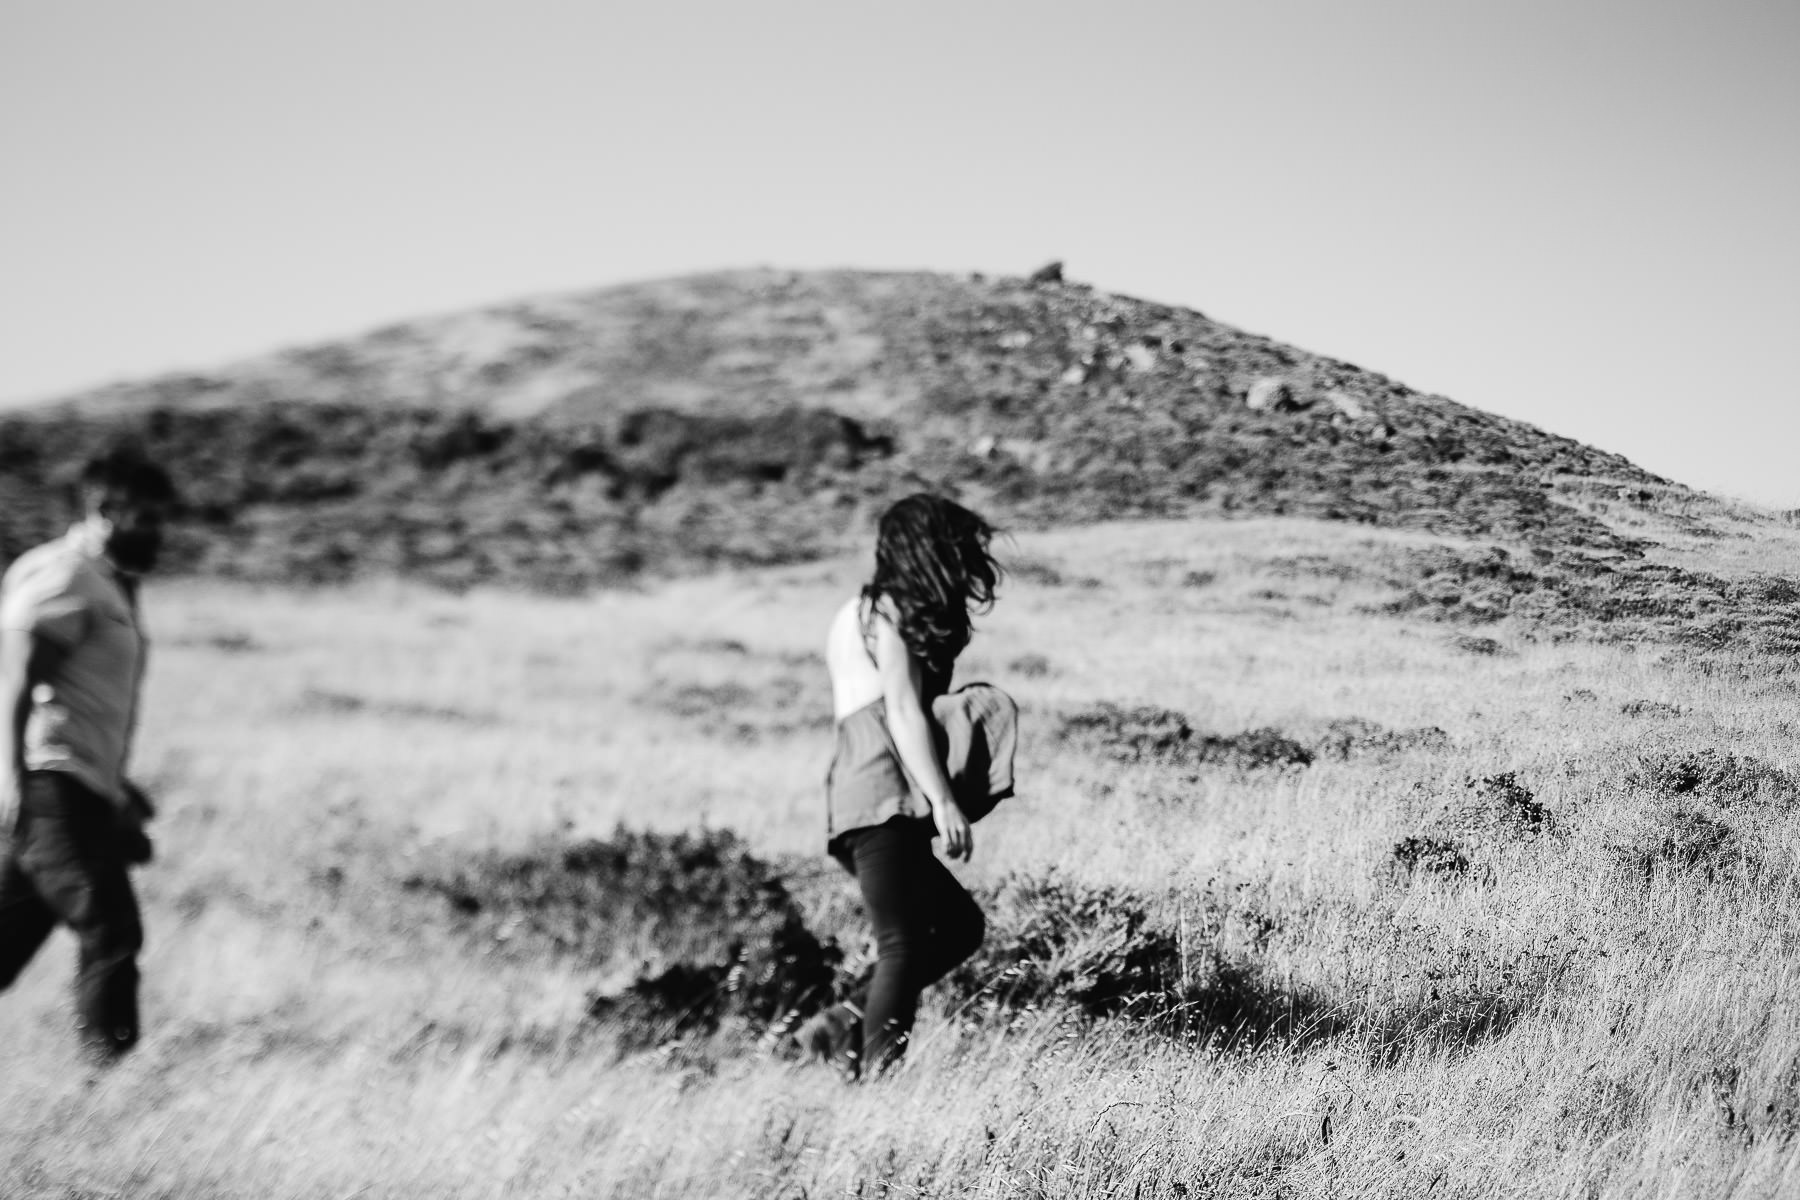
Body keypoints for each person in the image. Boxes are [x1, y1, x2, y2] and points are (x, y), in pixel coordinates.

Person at [816, 493, 1006, 1078]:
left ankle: (842, 1022)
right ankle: (877, 1085)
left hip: (855, 791)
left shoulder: (854, 613)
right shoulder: (891, 610)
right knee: (901, 942)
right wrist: (944, 799)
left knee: (957, 927)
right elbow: (900, 709)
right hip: (881, 790)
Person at [0, 447, 175, 1062]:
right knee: (111, 929)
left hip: (77, 789)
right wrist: (9, 783)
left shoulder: (110, 587)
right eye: (146, 518)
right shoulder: (65, 574)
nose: (158, 533)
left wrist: (116, 792)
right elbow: (16, 681)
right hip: (50, 787)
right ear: (104, 510)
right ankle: (107, 1093)